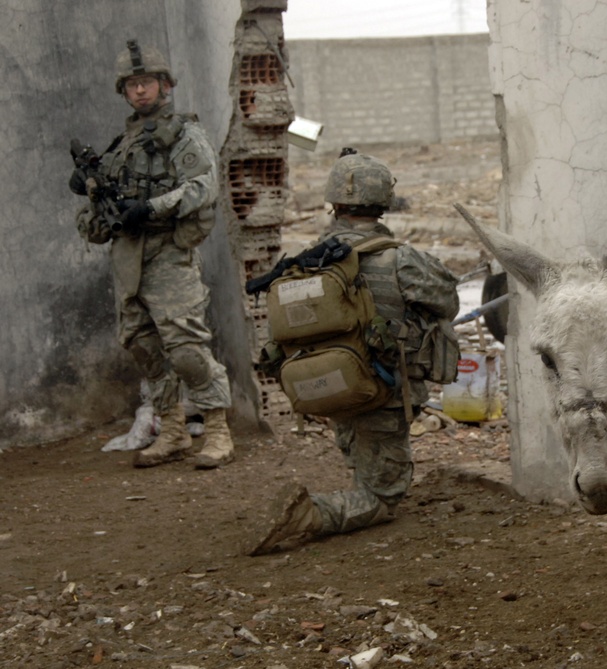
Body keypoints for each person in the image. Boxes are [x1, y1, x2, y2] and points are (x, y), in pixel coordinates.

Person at [250, 148, 460, 555]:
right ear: (384, 201)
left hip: (327, 388)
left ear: (335, 202)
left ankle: (355, 484)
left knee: (364, 457)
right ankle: (310, 514)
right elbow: (447, 301)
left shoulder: (305, 261)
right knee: (384, 496)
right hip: (382, 390)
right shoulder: (400, 259)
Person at [71, 40, 235, 469]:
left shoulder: (184, 134)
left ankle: (217, 431)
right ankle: (175, 431)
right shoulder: (122, 145)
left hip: (167, 252)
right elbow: (103, 210)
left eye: (146, 83)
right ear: (123, 92)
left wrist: (152, 207)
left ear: (164, 85)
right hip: (128, 258)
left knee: (185, 347)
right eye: (131, 85)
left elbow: (203, 187)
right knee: (143, 347)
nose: (139, 91)